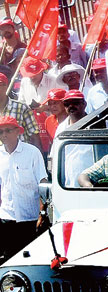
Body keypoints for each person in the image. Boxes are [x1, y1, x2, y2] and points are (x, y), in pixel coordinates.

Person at [0, 116, 47, 262]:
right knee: (8, 258)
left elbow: (43, 182)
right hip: (6, 216)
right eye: (0, 132)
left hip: (29, 217)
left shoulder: (32, 152)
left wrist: (43, 212)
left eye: (8, 131)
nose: (4, 135)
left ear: (17, 132)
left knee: (29, 258)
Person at [0, 73, 41, 150]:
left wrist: (39, 158)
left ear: (6, 86)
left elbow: (34, 135)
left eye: (0, 84)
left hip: (20, 155)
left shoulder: (21, 107)